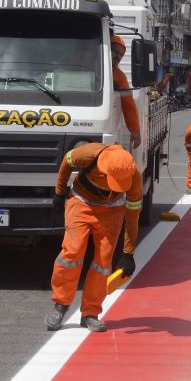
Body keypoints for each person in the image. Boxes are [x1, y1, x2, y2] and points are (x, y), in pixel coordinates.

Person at [46, 143, 142, 333]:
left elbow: (133, 215)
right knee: (72, 252)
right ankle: (60, 305)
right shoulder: (89, 154)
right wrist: (59, 192)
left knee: (103, 261)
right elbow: (66, 161)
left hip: (112, 210)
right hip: (81, 203)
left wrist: (128, 253)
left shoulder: (134, 177)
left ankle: (90, 313)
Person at [110, 35, 142, 149]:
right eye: (115, 51)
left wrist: (135, 131)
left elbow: (129, 105)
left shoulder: (120, 77)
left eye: (121, 54)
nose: (118, 56)